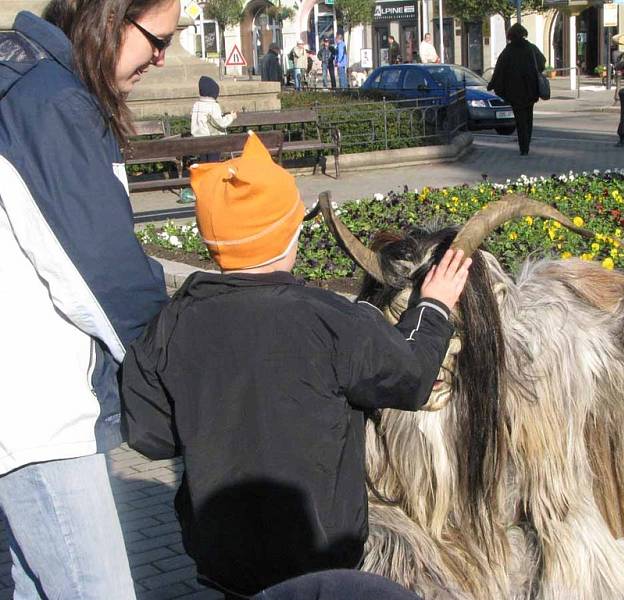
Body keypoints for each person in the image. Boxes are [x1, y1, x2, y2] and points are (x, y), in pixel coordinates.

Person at [120, 132, 471, 597]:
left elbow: (149, 434)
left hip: (225, 561)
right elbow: (412, 377)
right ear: (292, 235)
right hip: (318, 561)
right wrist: (434, 308)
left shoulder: (171, 326)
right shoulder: (329, 320)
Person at [0, 1, 175, 598]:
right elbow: (99, 274)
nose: (160, 57)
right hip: (38, 412)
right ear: (111, 17)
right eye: (156, 39)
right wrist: (179, 364)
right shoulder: (49, 99)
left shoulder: (26, 77)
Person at [487, 23, 546, 156]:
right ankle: (527, 143)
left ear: (511, 36)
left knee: (520, 120)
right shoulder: (531, 48)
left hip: (514, 91)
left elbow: (499, 70)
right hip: (531, 89)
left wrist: (492, 84)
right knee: (529, 117)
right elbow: (542, 61)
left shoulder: (508, 51)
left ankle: (523, 146)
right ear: (524, 34)